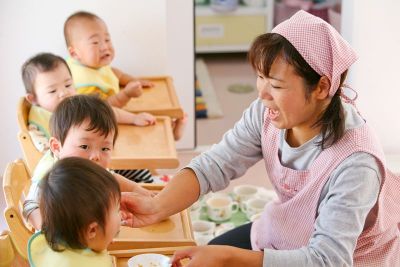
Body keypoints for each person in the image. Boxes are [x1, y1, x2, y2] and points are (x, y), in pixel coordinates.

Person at [122, 11, 400, 266]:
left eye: (276, 85)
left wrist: (229, 257)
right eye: (260, 77)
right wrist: (157, 205)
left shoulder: (357, 163)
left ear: (322, 86)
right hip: (286, 231)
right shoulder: (268, 114)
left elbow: (328, 259)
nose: (262, 94)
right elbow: (215, 164)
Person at [23, 94, 152, 230]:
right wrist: (48, 229)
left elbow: (111, 178)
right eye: (84, 146)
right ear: (57, 147)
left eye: (105, 148)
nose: (96, 156)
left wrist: (137, 189)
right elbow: (29, 206)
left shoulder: (87, 167)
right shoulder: (50, 175)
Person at [22, 52, 156, 183]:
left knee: (137, 166)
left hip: (96, 158)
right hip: (71, 176)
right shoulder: (36, 124)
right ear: (33, 98)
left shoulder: (77, 105)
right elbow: (43, 156)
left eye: (68, 85)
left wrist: (133, 118)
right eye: (52, 91)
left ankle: (150, 188)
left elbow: (107, 112)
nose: (64, 93)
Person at [63, 11, 186, 140]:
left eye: (107, 39)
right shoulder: (82, 83)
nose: (105, 46)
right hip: (102, 126)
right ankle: (172, 134)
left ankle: (171, 131)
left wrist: (132, 80)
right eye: (95, 42)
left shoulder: (92, 64)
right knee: (144, 127)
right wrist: (126, 94)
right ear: (74, 53)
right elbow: (101, 109)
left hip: (116, 114)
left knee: (153, 111)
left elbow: (114, 73)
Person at [28, 157, 121, 266]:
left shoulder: (60, 239)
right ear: (92, 231)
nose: (121, 215)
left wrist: (103, 237)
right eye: (118, 209)